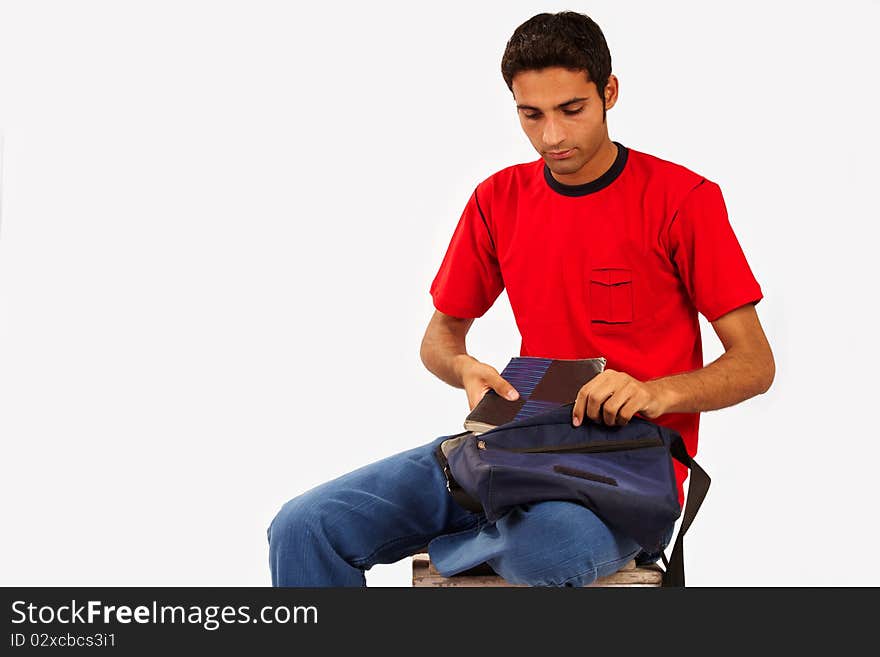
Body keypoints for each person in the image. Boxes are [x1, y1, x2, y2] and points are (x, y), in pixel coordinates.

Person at [267, 11, 775, 587]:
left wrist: (655, 392)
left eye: (571, 110)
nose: (551, 136)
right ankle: (480, 531)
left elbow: (756, 365)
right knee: (303, 526)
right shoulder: (497, 199)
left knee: (546, 552)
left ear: (609, 92)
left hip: (627, 470)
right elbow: (439, 338)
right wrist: (463, 368)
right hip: (512, 443)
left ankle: (461, 541)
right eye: (531, 115)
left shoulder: (684, 200)